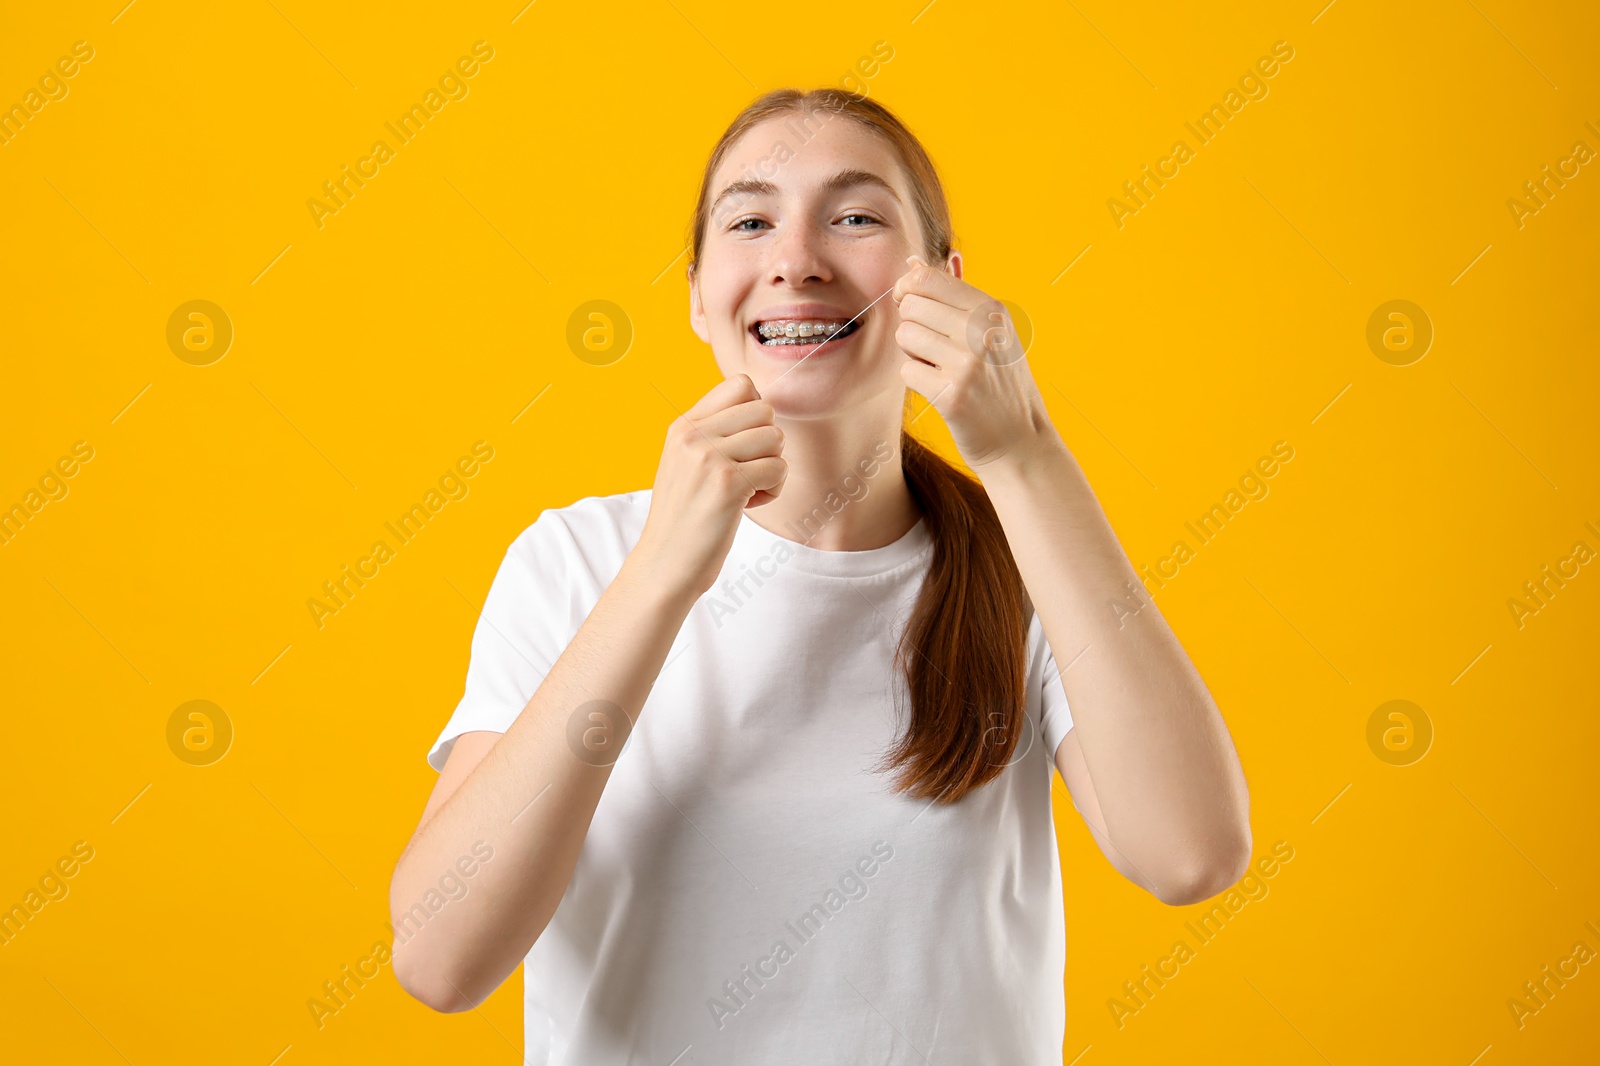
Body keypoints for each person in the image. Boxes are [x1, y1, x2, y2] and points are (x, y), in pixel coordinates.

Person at [388, 87, 1251, 1064]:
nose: (795, 261)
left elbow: (1191, 854)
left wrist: (1025, 454)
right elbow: (439, 960)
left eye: (854, 217)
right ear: (696, 292)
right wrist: (660, 578)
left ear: (948, 285)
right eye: (750, 221)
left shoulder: (1028, 561)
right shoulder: (576, 560)